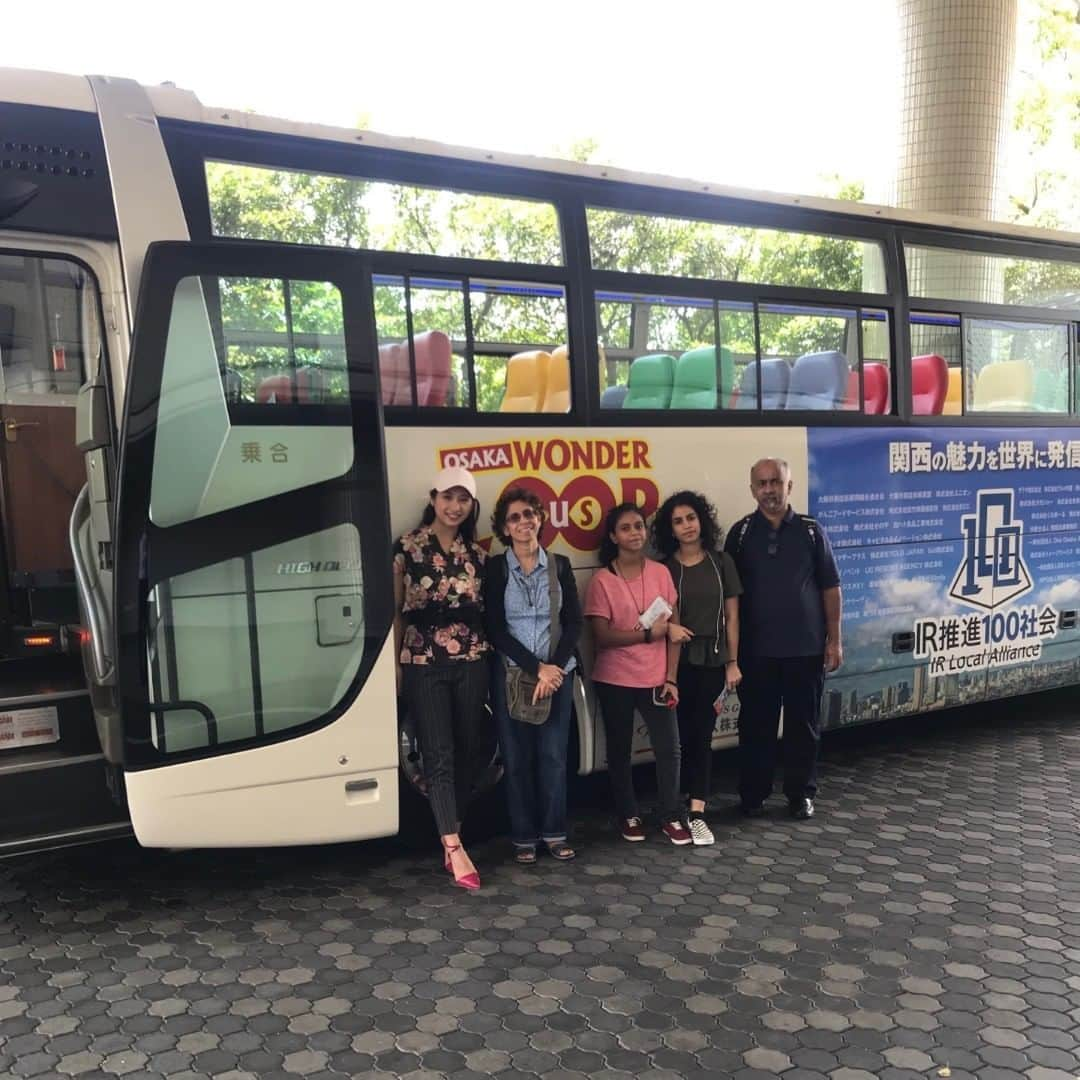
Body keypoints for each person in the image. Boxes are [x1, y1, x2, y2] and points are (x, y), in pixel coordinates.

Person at [724, 457, 843, 821]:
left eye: (776, 482)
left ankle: (800, 794)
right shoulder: (741, 534)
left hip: (805, 649)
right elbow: (730, 598)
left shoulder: (810, 531)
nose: (769, 489)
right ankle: (753, 795)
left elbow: (831, 588)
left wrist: (834, 640)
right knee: (755, 726)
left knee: (802, 727)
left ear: (789, 486)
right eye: (761, 483)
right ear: (752, 489)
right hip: (755, 652)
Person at [393, 465, 489, 889]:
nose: (455, 506)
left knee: (472, 746)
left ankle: (454, 821)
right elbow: (395, 612)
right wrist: (396, 664)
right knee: (438, 751)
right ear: (433, 498)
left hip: (472, 658)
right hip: (423, 659)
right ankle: (453, 846)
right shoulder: (407, 549)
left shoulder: (478, 555)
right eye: (448, 497)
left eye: (463, 499)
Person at [485, 487, 584, 865]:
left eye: (529, 514)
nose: (524, 522)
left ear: (540, 518)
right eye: (514, 518)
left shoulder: (559, 565)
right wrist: (535, 667)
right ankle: (524, 836)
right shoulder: (496, 569)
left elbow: (573, 622)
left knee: (554, 757)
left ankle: (555, 833)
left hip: (558, 676)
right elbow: (495, 628)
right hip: (513, 676)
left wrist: (554, 668)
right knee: (517, 758)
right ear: (504, 528)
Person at [584, 502, 691, 845]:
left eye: (639, 527)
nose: (635, 533)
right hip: (614, 678)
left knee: (669, 749)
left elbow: (674, 630)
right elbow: (601, 636)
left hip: (656, 678)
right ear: (613, 536)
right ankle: (628, 814)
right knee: (619, 749)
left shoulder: (661, 572)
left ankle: (671, 815)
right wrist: (647, 635)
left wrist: (671, 677)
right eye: (626, 528)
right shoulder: (602, 580)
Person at [653, 490, 743, 846]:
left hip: (712, 661)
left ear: (702, 521)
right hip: (674, 663)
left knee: (702, 738)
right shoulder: (663, 569)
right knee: (675, 741)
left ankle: (698, 813)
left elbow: (734, 617)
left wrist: (733, 662)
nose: (687, 526)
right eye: (678, 521)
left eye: (691, 518)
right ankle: (671, 812)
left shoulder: (722, 563)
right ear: (669, 529)